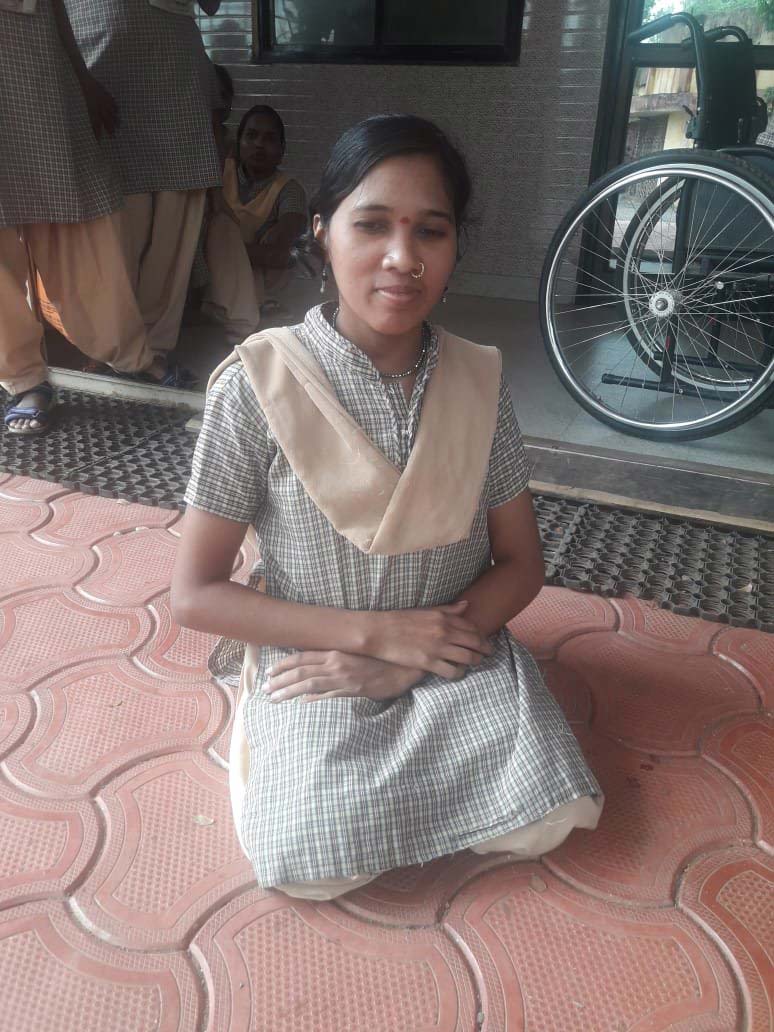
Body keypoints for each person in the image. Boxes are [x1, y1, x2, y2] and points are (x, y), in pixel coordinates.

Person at [172, 115, 603, 901]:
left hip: (452, 642)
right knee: (316, 867)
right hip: (321, 651)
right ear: (322, 232)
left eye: (430, 231)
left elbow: (521, 564)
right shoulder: (257, 385)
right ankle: (264, 716)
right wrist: (371, 639)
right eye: (372, 225)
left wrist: (406, 657)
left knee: (555, 812)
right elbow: (194, 594)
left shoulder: (477, 380)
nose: (403, 258)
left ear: (455, 247)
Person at [1, 0, 164, 435]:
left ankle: (129, 355)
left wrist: (82, 78)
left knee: (80, 218)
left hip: (39, 67)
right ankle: (25, 380)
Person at [64, 0, 223, 382]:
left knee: (175, 214)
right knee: (114, 225)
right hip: (103, 59)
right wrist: (80, 79)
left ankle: (153, 350)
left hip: (176, 64)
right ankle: (113, 346)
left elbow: (212, 5)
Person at [201, 105, 307, 341]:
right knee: (220, 224)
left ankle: (235, 312)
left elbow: (283, 246)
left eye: (269, 139)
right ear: (239, 143)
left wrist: (226, 251)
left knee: (268, 242)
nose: (259, 144)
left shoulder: (290, 189)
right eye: (251, 136)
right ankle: (248, 310)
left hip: (263, 277)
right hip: (215, 272)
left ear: (282, 149)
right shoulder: (219, 175)